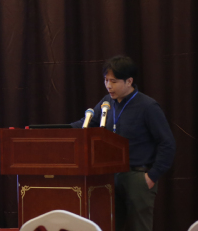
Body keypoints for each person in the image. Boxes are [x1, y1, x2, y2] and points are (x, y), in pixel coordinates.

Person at [72, 55, 175, 231]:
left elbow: (167, 143)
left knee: (140, 227)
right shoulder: (106, 102)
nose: (108, 86)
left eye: (113, 81)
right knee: (109, 225)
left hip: (137, 176)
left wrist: (152, 176)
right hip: (109, 176)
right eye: (106, 80)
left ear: (129, 81)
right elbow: (86, 124)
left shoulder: (148, 106)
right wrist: (57, 130)